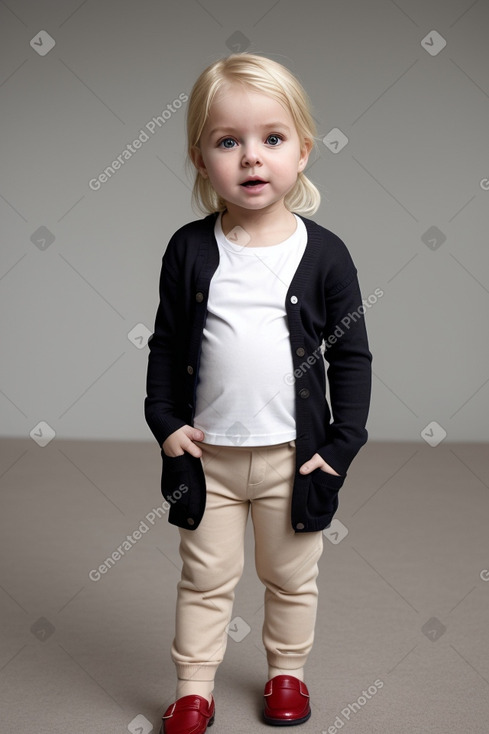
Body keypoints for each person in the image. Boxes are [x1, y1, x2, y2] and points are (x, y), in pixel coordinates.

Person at [145, 52, 372, 734]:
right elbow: (164, 345)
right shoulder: (189, 249)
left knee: (290, 578)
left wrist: (340, 444)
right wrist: (163, 422)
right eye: (227, 142)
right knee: (205, 579)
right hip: (207, 459)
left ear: (302, 152)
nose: (251, 158)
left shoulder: (324, 253)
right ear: (199, 158)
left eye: (271, 139)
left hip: (292, 458)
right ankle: (193, 688)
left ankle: (286, 675)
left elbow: (351, 356)